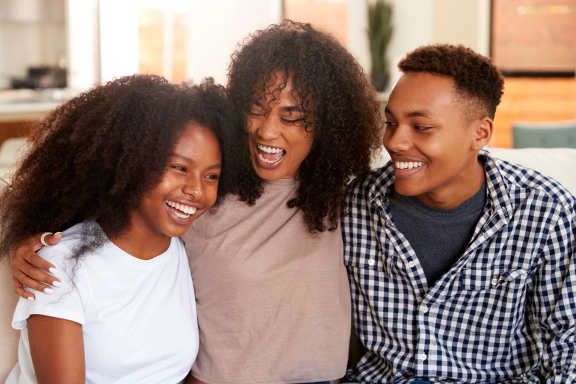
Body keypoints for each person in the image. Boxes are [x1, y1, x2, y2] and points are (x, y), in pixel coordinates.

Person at [9, 21, 384, 384]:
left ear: (329, 124)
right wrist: (26, 236)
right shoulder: (203, 197)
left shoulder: (346, 198)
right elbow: (102, 199)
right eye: (256, 108)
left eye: (293, 116)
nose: (267, 130)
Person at [344, 44, 576, 383]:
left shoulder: (547, 213)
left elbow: (570, 346)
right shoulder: (354, 205)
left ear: (480, 133)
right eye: (391, 122)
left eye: (421, 127)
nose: (393, 142)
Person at [0, 74, 240, 384]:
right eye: (179, 168)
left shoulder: (187, 251)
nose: (196, 190)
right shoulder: (57, 266)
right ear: (131, 162)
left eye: (211, 176)